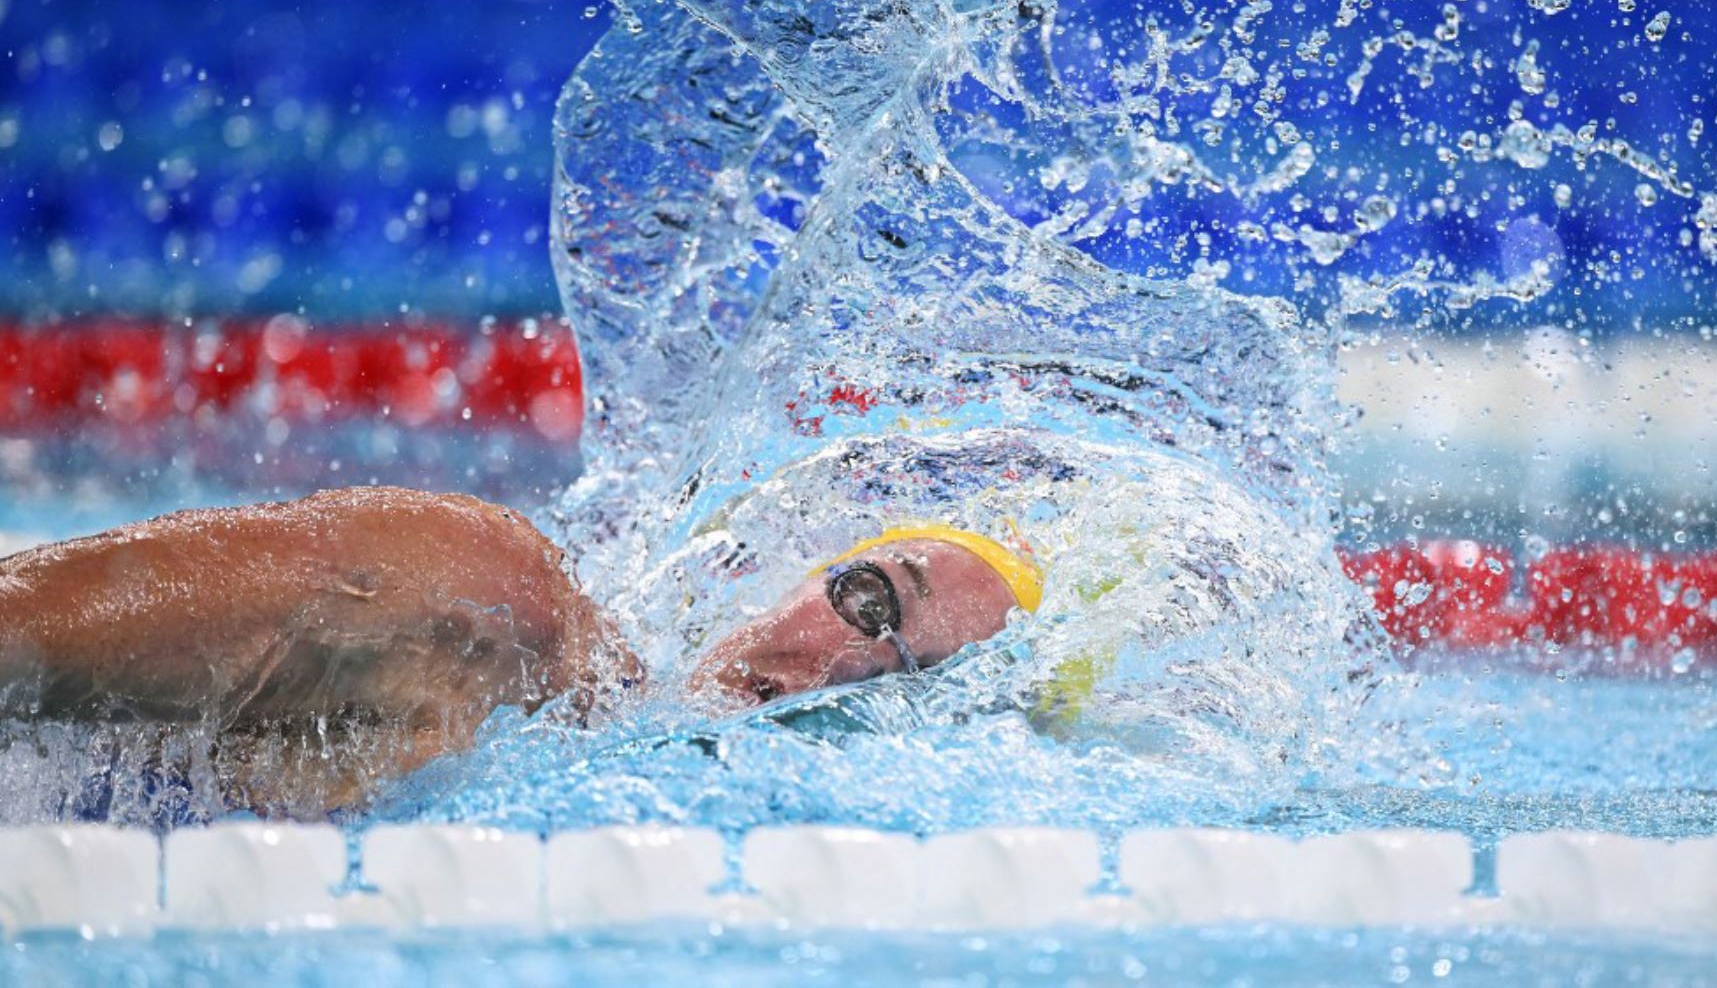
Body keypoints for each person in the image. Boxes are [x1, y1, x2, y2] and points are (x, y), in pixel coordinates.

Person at [0, 486, 1041, 817]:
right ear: (790, 565)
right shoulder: (486, 596)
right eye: (867, 602)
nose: (846, 670)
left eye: (915, 681)